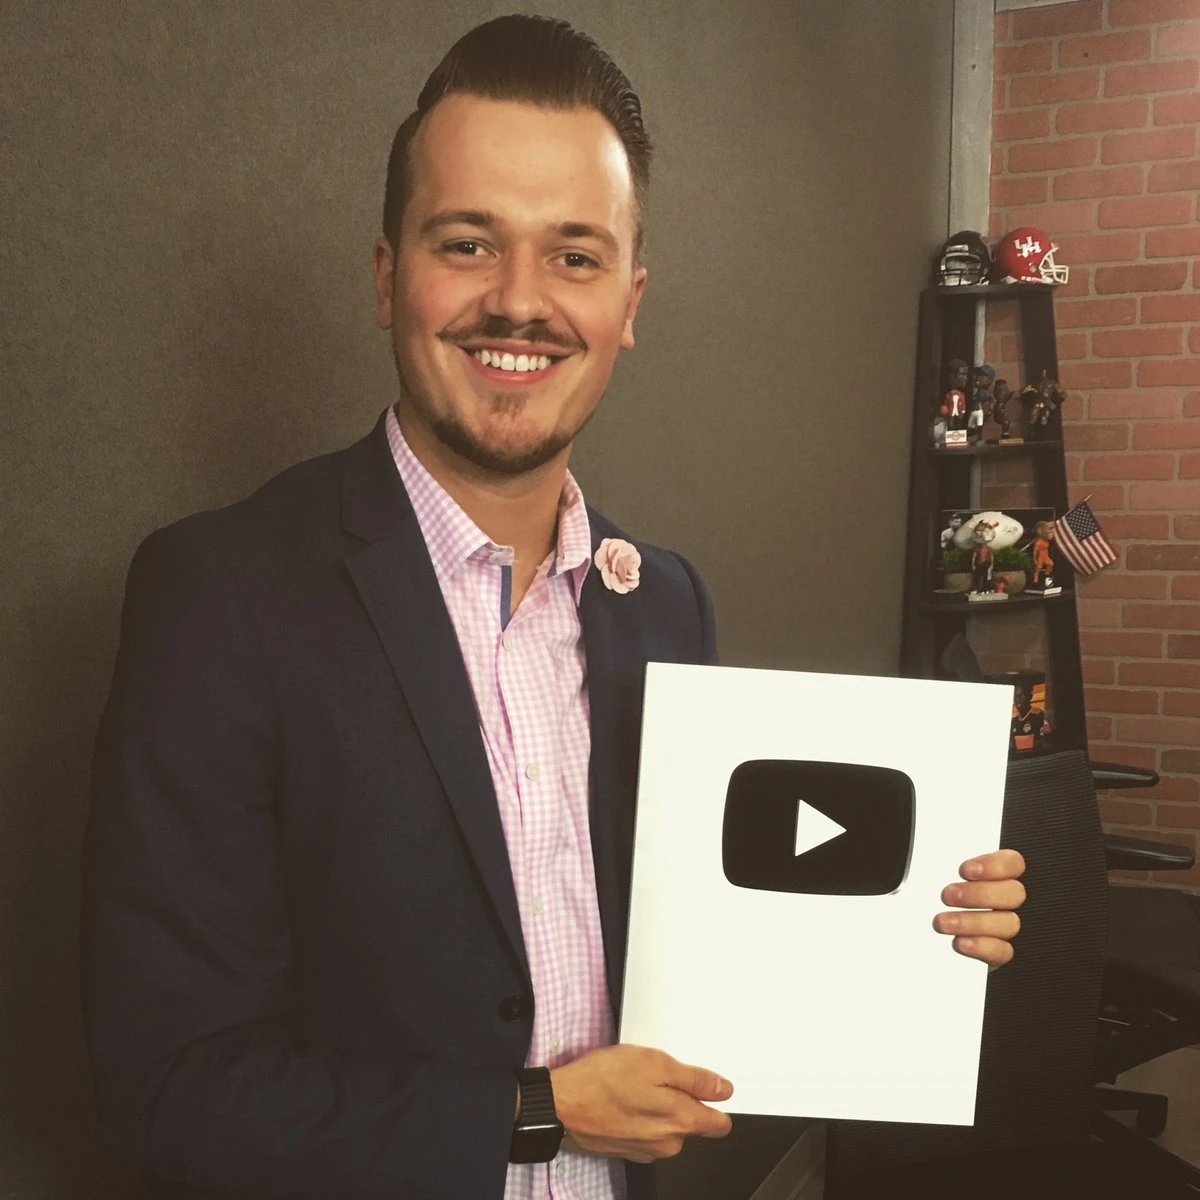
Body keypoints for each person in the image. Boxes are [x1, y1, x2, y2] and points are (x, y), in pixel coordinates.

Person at [82, 16, 1026, 1200]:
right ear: (387, 276)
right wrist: (536, 1112)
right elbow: (168, 1087)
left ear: (629, 301)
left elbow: (713, 946)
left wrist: (917, 923)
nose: (519, 301)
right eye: (468, 243)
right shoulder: (221, 596)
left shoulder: (663, 601)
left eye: (575, 256)